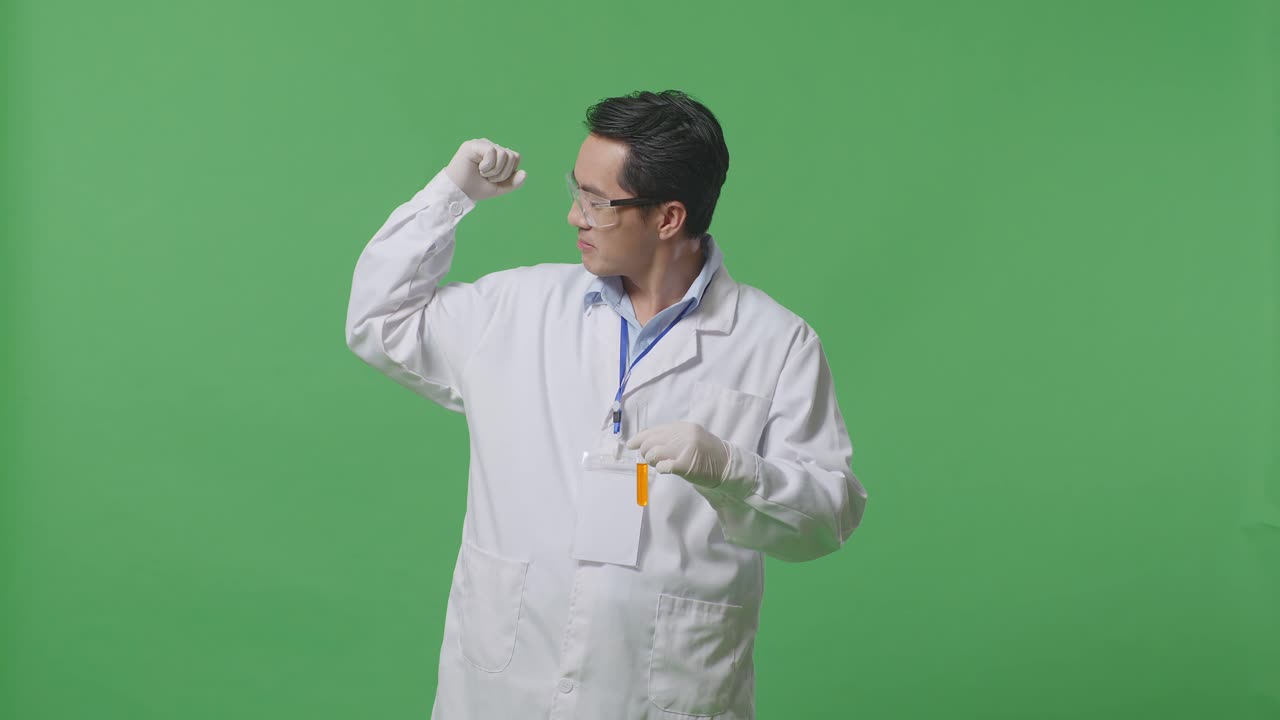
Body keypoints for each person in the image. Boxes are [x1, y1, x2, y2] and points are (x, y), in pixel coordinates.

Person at [345, 89, 867, 720]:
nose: (575, 217)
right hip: (504, 687)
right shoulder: (518, 308)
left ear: (669, 217)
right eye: (576, 192)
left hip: (666, 694)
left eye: (596, 202)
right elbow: (379, 319)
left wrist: (730, 468)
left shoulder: (776, 343)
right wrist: (450, 196)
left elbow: (827, 518)